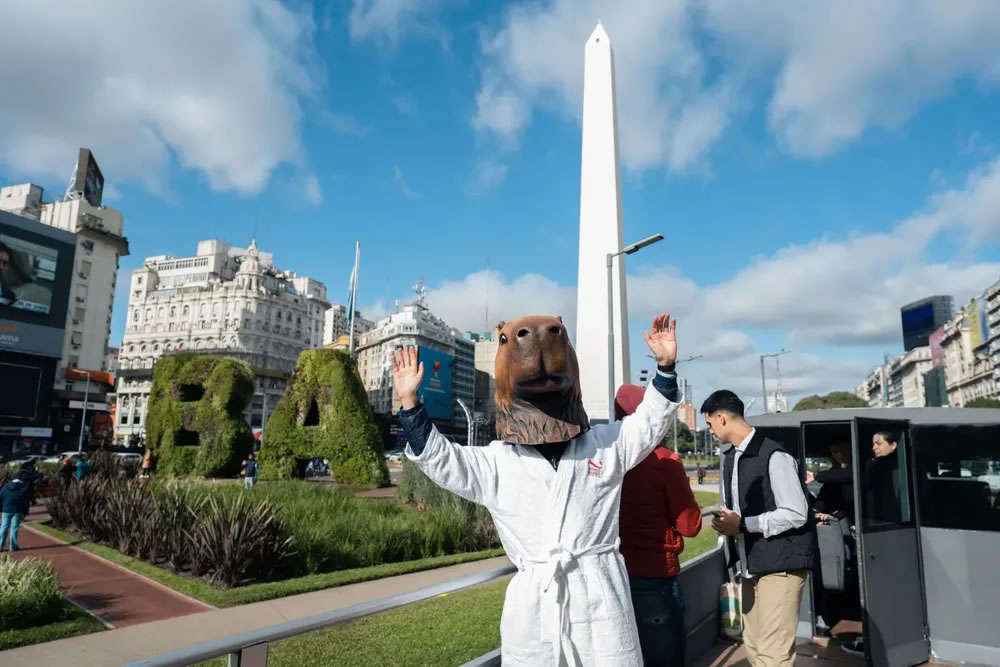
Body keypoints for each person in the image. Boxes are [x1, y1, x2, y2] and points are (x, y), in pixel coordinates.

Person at [396, 314, 681, 666]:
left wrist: (665, 368)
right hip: (537, 608)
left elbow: (649, 423)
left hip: (602, 597)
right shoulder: (496, 463)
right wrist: (409, 402)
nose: (539, 340)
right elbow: (442, 460)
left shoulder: (605, 446)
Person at [703, 390, 817, 667]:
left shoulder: (775, 455)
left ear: (721, 418)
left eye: (709, 425)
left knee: (772, 652)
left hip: (781, 567)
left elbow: (796, 513)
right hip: (751, 566)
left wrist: (742, 524)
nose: (710, 432)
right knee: (754, 645)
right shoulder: (732, 457)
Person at [615, 384, 702, 666]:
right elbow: (690, 525)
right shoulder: (664, 464)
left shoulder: (605, 460)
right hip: (655, 575)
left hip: (612, 576)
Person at [0, 470, 34, 552]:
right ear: (21, 477)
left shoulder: (5, 486)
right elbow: (26, 501)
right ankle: (13, 547)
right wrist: (25, 512)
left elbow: (0, 497)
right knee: (14, 528)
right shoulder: (23, 487)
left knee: (4, 527)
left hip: (6, 509)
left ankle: (0, 545)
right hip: (17, 510)